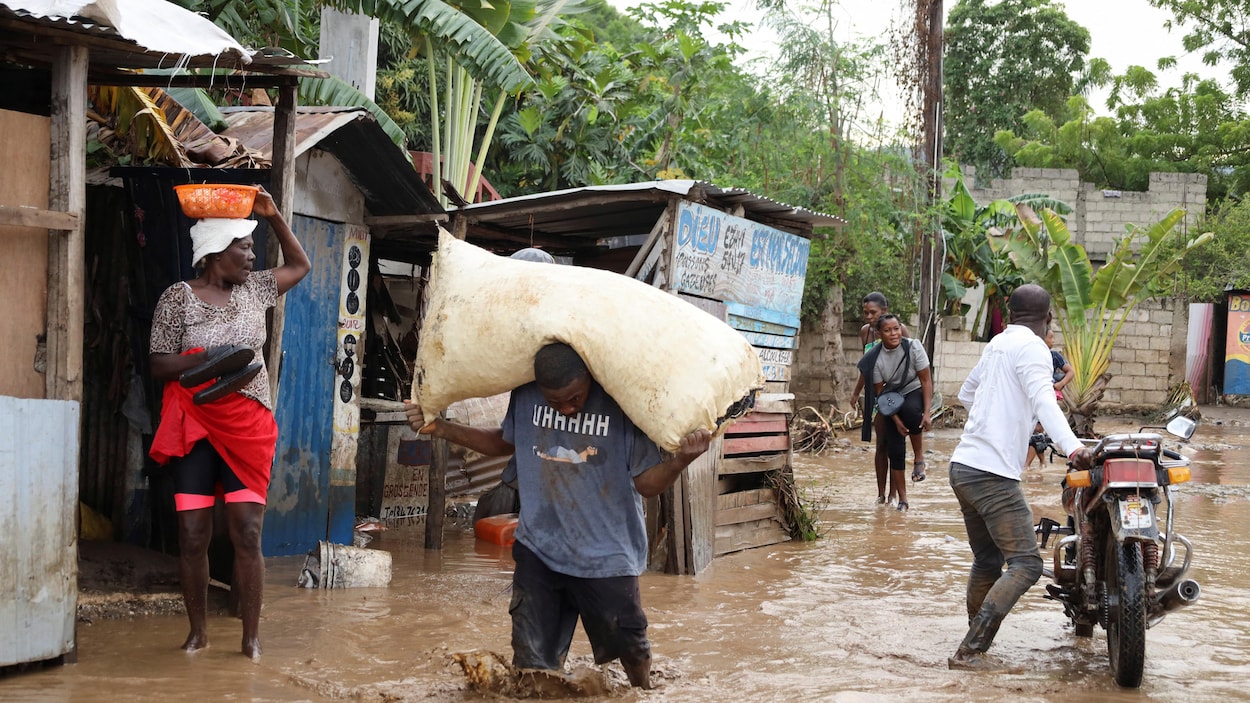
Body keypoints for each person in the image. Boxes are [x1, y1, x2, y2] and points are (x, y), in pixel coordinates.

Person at [405, 343, 711, 688]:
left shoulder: (622, 403)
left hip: (606, 557)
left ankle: (646, 694)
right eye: (555, 402)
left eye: (575, 398)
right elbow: (505, 442)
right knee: (532, 669)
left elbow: (647, 483)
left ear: (589, 380)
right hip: (539, 549)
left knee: (633, 652)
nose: (566, 409)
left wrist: (680, 460)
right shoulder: (525, 393)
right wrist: (442, 428)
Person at [147, 186, 310, 659]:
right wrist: (207, 360)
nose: (251, 255)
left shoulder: (257, 288)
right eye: (245, 246)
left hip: (248, 425)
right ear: (218, 252)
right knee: (193, 534)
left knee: (248, 532)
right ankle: (198, 633)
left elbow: (300, 266)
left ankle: (251, 639)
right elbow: (158, 362)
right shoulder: (178, 298)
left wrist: (274, 215)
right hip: (194, 424)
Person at [946, 284, 1092, 670]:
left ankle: (973, 638)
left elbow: (966, 394)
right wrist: (1075, 449)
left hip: (963, 466)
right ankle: (971, 651)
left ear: (1010, 313)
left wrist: (1005, 421)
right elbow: (1045, 400)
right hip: (992, 475)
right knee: (1026, 564)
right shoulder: (1034, 349)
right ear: (1047, 320)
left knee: (987, 560)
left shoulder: (997, 344)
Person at [849, 292, 928, 504]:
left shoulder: (898, 331)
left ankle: (895, 494)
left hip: (898, 392)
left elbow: (910, 361)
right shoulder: (866, 333)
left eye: (872, 312)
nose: (868, 316)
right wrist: (857, 392)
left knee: (895, 440)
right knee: (881, 444)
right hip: (877, 391)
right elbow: (866, 366)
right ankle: (881, 494)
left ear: (884, 311)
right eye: (865, 312)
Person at [868, 314, 932, 511]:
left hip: (913, 389)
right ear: (879, 334)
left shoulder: (913, 346)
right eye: (888, 330)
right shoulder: (875, 359)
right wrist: (895, 420)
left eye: (896, 329)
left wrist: (927, 412)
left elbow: (926, 380)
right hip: (889, 397)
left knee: (912, 410)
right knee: (895, 448)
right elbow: (880, 394)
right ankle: (902, 500)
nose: (893, 334)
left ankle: (919, 458)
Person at [1023, 328, 1075, 470]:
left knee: (1038, 430)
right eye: (1051, 338)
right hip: (1031, 397)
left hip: (1045, 397)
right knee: (1037, 431)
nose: (1053, 341)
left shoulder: (1054, 356)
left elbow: (1070, 372)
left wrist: (1060, 384)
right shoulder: (1030, 355)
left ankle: (1026, 465)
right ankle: (1042, 464)